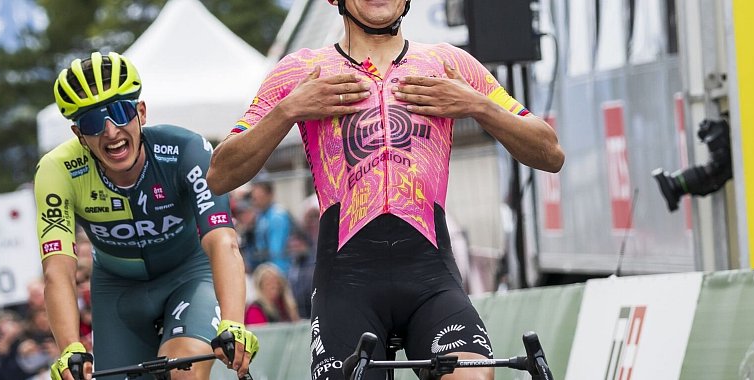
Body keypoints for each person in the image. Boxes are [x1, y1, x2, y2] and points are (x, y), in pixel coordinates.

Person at [206, 0, 564, 379]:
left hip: (431, 279)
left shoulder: (448, 64)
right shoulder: (302, 71)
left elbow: (551, 153)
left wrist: (477, 105)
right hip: (345, 287)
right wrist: (288, 110)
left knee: (474, 376)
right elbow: (220, 174)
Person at [35, 51, 258, 380]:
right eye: (93, 122)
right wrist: (70, 346)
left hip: (189, 276)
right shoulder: (58, 171)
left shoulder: (185, 149)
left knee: (181, 372)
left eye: (120, 112)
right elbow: (58, 269)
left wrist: (234, 323)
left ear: (141, 111)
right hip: (117, 291)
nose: (110, 131)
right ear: (78, 134)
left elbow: (223, 241)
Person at [248, 182, 292, 274]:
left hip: (279, 268)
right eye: (254, 197)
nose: (255, 200)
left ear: (269, 195)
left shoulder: (277, 216)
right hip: (265, 266)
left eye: (259, 196)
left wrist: (274, 272)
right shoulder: (261, 215)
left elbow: (276, 250)